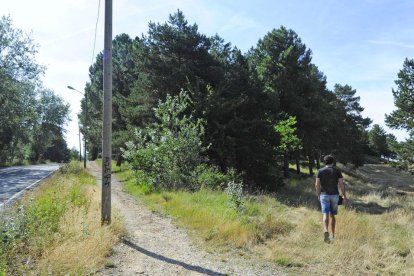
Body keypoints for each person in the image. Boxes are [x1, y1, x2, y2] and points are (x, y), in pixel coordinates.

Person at [315, 155, 347, 243]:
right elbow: (341, 184)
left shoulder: (320, 171)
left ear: (324, 162)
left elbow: (317, 185)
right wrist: (344, 196)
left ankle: (326, 230)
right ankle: (332, 235)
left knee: (325, 214)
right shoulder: (337, 171)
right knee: (332, 215)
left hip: (324, 195)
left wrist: (318, 195)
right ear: (333, 162)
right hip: (335, 196)